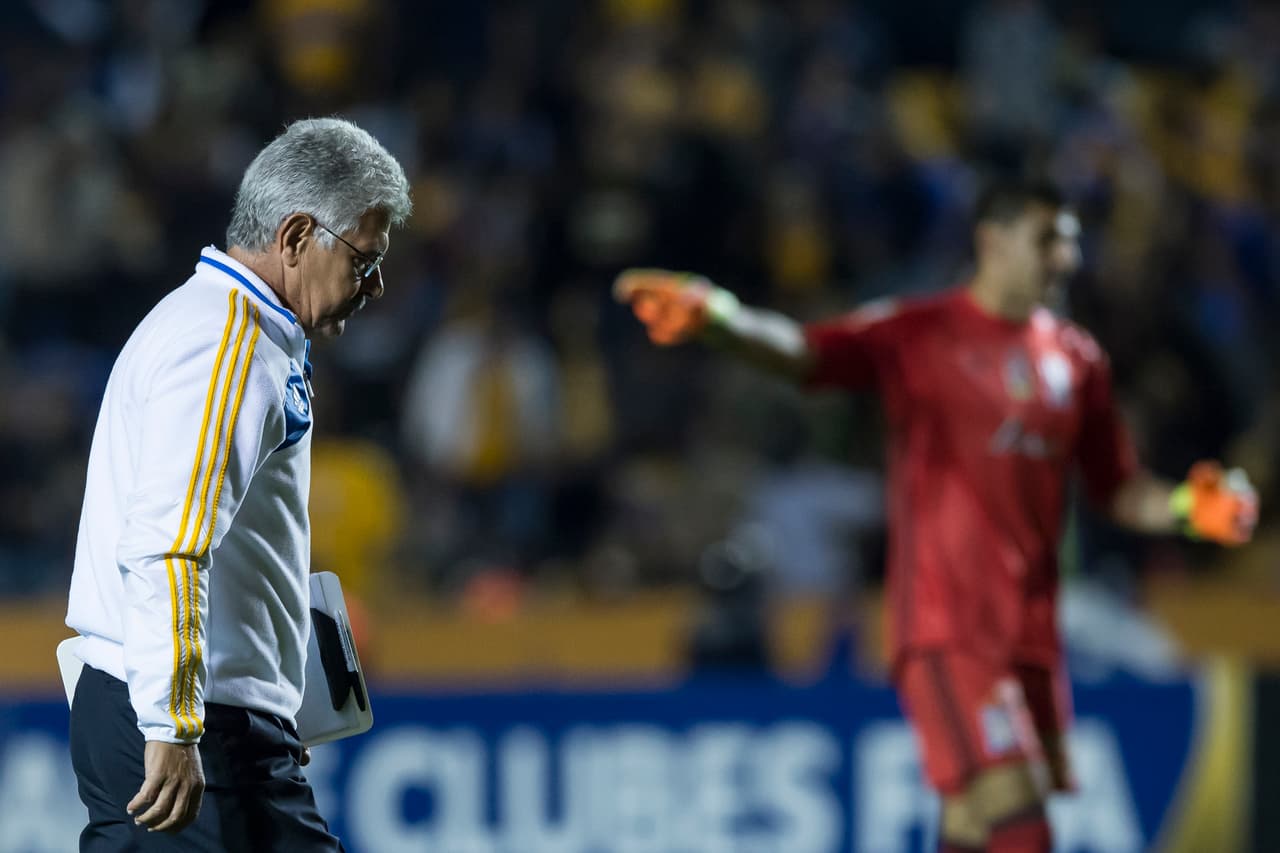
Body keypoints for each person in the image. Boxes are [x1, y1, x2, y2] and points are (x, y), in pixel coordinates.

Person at [613, 178, 1258, 853]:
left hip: (1031, 630)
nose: (1065, 259)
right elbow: (806, 352)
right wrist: (720, 317)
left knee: (971, 824)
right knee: (1019, 809)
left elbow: (1118, 488)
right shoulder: (921, 333)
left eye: (1070, 243)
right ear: (993, 240)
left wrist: (1187, 507)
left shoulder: (1076, 359)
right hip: (949, 623)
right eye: (1048, 241)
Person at [64, 117, 411, 850]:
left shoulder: (222, 327)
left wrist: (277, 696)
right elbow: (169, 547)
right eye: (364, 259)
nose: (376, 284)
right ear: (294, 237)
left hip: (195, 717)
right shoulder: (229, 345)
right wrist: (174, 724)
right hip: (194, 731)